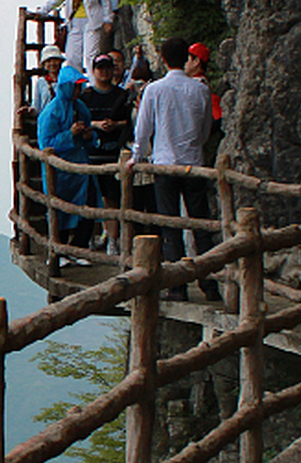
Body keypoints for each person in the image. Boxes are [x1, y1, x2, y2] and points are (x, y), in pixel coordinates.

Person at [132, 37, 219, 299]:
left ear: (164, 58)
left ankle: (177, 286)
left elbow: (143, 129)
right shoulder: (200, 90)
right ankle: (210, 284)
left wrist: (136, 157)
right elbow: (205, 130)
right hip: (194, 164)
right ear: (187, 58)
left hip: (165, 164)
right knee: (200, 224)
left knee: (170, 225)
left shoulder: (155, 90)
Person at [34, 62, 100, 252]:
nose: (78, 90)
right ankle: (59, 251)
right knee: (59, 211)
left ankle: (80, 248)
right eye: (75, 86)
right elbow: (46, 143)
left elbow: (90, 137)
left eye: (80, 86)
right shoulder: (50, 112)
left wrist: (89, 136)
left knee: (89, 207)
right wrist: (70, 133)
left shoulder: (81, 108)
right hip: (60, 172)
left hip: (81, 166)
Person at [81, 51, 137, 255]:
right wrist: (96, 124)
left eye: (107, 68)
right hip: (92, 155)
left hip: (114, 154)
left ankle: (112, 240)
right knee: (90, 198)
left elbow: (131, 123)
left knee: (112, 198)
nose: (104, 72)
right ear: (94, 71)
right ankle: (92, 238)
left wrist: (115, 124)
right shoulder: (86, 96)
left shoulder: (121, 96)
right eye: (100, 68)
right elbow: (80, 121)